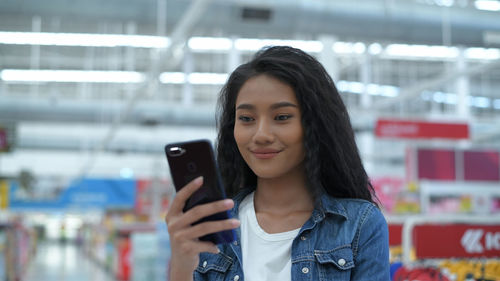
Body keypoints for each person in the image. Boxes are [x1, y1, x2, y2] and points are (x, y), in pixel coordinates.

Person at [165, 46, 390, 281]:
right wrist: (181, 265)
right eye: (246, 119)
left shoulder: (358, 225)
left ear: (315, 125)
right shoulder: (213, 227)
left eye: (282, 117)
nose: (261, 134)